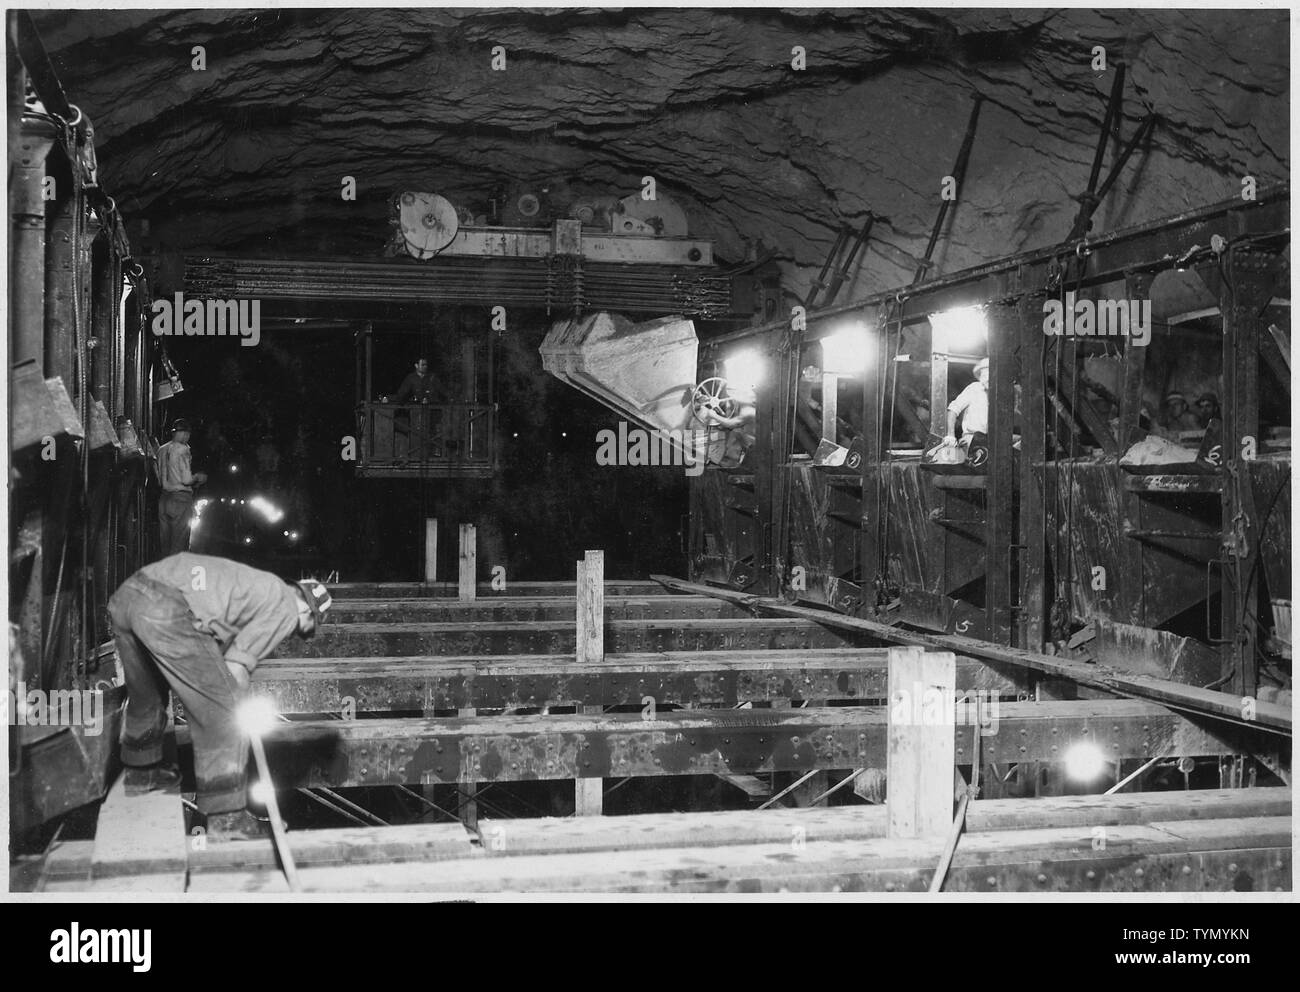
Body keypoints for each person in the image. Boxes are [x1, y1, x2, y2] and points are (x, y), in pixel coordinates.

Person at [108, 554, 332, 839]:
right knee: (225, 714)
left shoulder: (259, 586)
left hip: (128, 596)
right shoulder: (287, 607)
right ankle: (226, 820)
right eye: (300, 631)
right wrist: (234, 701)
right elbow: (235, 668)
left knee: (147, 692)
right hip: (167, 609)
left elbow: (217, 648)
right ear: (308, 614)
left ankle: (141, 773)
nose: (290, 635)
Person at [155, 419, 207, 557]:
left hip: (164, 499)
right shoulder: (183, 449)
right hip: (181, 500)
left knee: (165, 544)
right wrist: (198, 477)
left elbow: (159, 478)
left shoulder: (161, 449)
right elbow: (186, 479)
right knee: (178, 544)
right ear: (184, 433)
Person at [945, 358, 990, 450]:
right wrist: (950, 435)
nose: (987, 378)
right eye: (984, 374)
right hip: (972, 439)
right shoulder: (974, 389)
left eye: (989, 374)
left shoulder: (1001, 395)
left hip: (993, 440)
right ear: (980, 376)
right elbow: (953, 409)